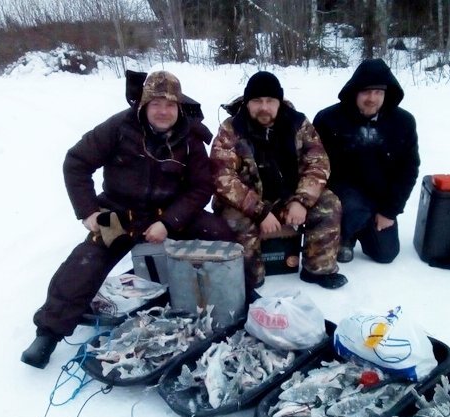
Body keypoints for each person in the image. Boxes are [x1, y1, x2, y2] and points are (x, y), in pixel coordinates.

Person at [21, 70, 235, 369]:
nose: (163, 111)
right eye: (156, 103)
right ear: (143, 105)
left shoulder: (191, 138)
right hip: (121, 215)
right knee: (86, 262)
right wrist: (89, 212)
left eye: (170, 104)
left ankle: (238, 294)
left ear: (179, 106)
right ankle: (48, 333)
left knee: (219, 232)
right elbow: (76, 163)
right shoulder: (118, 128)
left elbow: (200, 187)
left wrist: (169, 222)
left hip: (167, 214)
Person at [210, 71, 347, 291]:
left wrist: (301, 201)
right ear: (247, 102)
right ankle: (249, 279)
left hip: (288, 198)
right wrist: (260, 211)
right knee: (234, 222)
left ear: (279, 101)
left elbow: (318, 163)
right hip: (245, 204)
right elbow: (222, 177)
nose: (264, 107)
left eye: (270, 100)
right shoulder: (231, 129)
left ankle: (318, 269)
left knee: (329, 205)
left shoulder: (298, 124)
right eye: (257, 101)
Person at [313, 59, 420, 264]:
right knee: (353, 205)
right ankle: (346, 235)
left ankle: (363, 227)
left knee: (385, 254)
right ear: (355, 92)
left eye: (378, 92)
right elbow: (313, 165)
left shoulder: (403, 123)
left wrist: (390, 211)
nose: (372, 98)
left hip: (380, 197)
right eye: (366, 92)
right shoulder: (329, 119)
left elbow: (409, 170)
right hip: (342, 196)